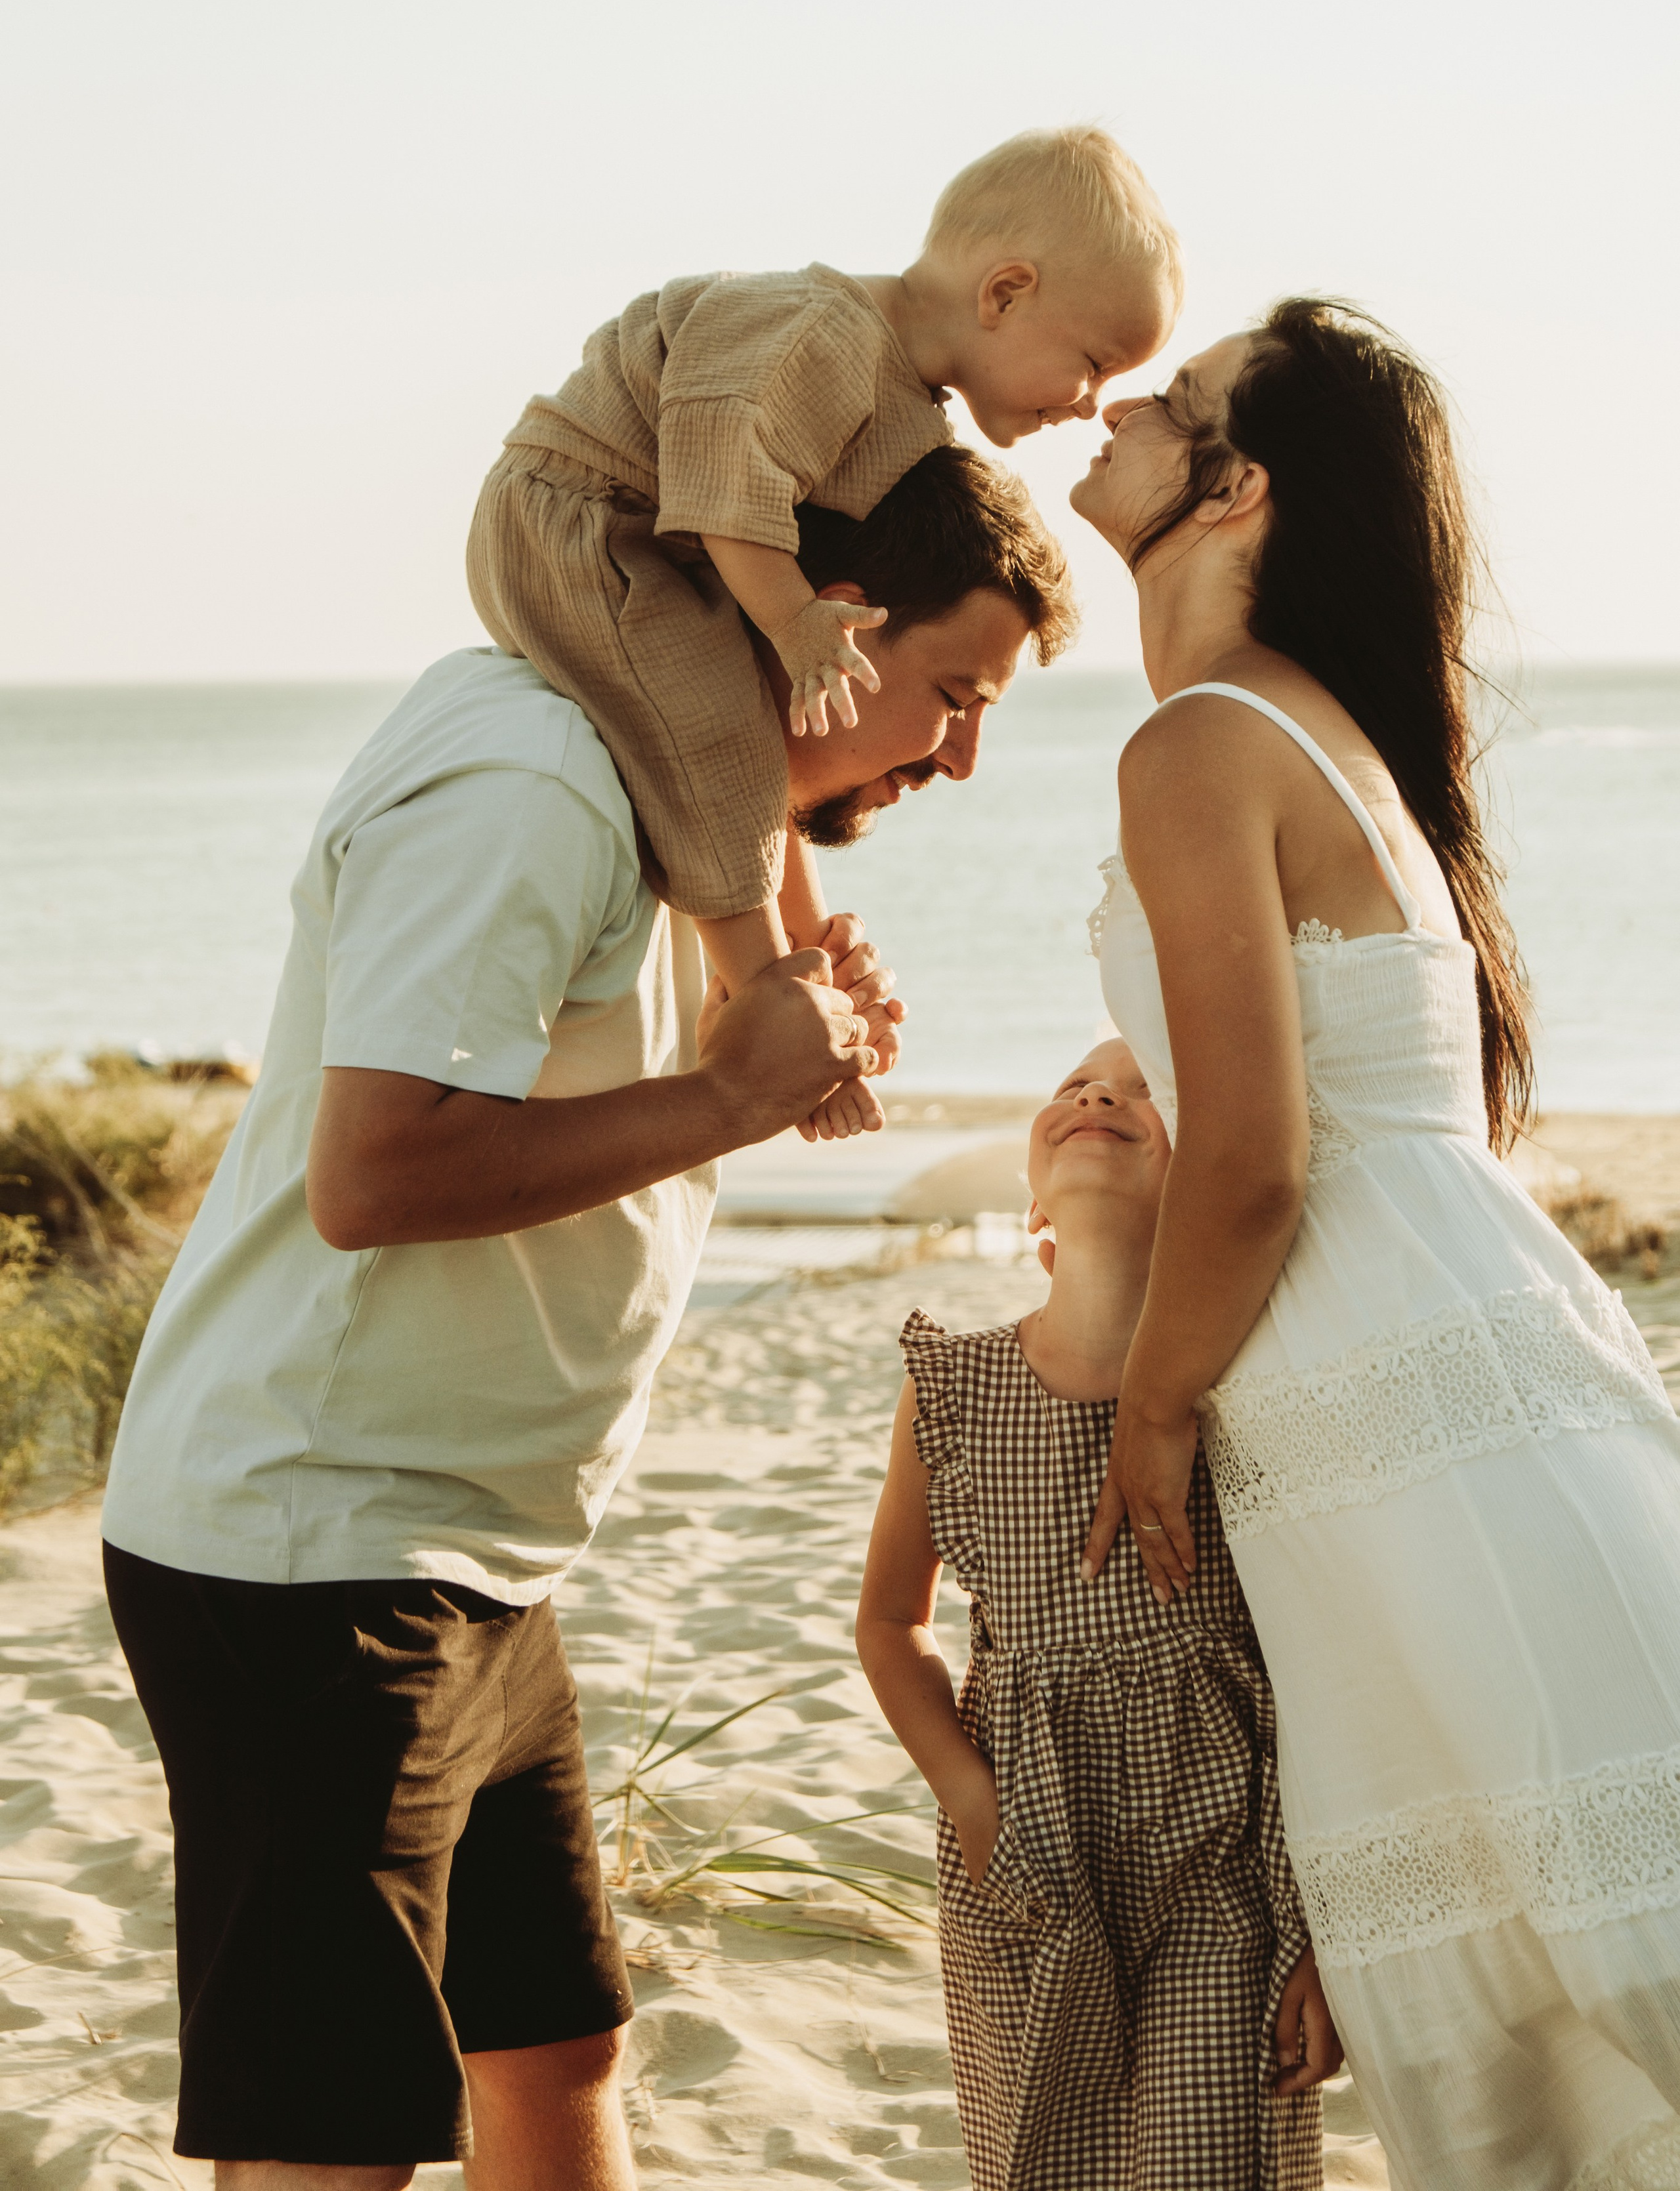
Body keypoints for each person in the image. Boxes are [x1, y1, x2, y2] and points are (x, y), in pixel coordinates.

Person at [99, 448, 1077, 2191]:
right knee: (336, 2138)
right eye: (952, 696)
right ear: (837, 626)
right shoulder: (528, 778)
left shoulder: (701, 809)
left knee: (555, 2057)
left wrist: (771, 1047)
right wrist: (732, 1103)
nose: (960, 755)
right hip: (312, 1548)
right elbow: (375, 1172)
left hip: (471, 1550)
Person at [1076, 298, 1680, 2186]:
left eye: (1169, 404)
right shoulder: (1314, 732)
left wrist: (1155, 1405)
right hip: (1423, 1369)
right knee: (1540, 1960)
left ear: (1234, 489)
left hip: (1392, 1395)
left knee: (1591, 1958)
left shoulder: (1202, 744)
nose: (1115, 409)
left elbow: (1256, 1158)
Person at [465, 126, 1179, 1079]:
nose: (1092, 404)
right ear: (1005, 293)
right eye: (1094, 363)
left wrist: (814, 944)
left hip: (648, 541)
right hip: (581, 523)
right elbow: (724, 470)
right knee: (710, 729)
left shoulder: (910, 409)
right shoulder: (828, 333)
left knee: (731, 733)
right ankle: (768, 1010)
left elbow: (759, 751)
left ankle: (795, 973)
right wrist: (797, 622)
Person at [856, 1037, 1339, 2190]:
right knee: (1045, 2160)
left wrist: (1328, 1927)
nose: (1095, 1095)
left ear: (1208, 1175)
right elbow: (888, 1624)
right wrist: (973, 1802)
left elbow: (1328, 1656)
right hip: (1026, 1852)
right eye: (1072, 1084)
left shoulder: (1250, 1388)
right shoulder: (954, 1388)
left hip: (1223, 1858)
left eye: (1139, 1090)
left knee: (1215, 2161)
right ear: (1031, 1198)